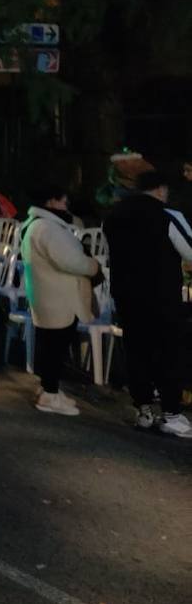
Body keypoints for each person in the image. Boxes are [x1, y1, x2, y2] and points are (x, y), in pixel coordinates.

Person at [102, 170, 192, 438]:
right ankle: (172, 414)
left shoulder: (113, 217)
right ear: (161, 189)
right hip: (161, 296)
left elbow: (110, 254)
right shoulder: (167, 215)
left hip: (127, 296)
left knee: (137, 350)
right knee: (168, 351)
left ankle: (143, 410)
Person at [20, 186, 101, 417]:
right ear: (52, 202)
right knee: (55, 347)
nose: (66, 205)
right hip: (60, 297)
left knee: (49, 345)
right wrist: (93, 265)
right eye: (64, 201)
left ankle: (49, 389)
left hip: (47, 295)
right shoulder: (48, 228)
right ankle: (50, 393)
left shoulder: (34, 224)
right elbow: (70, 261)